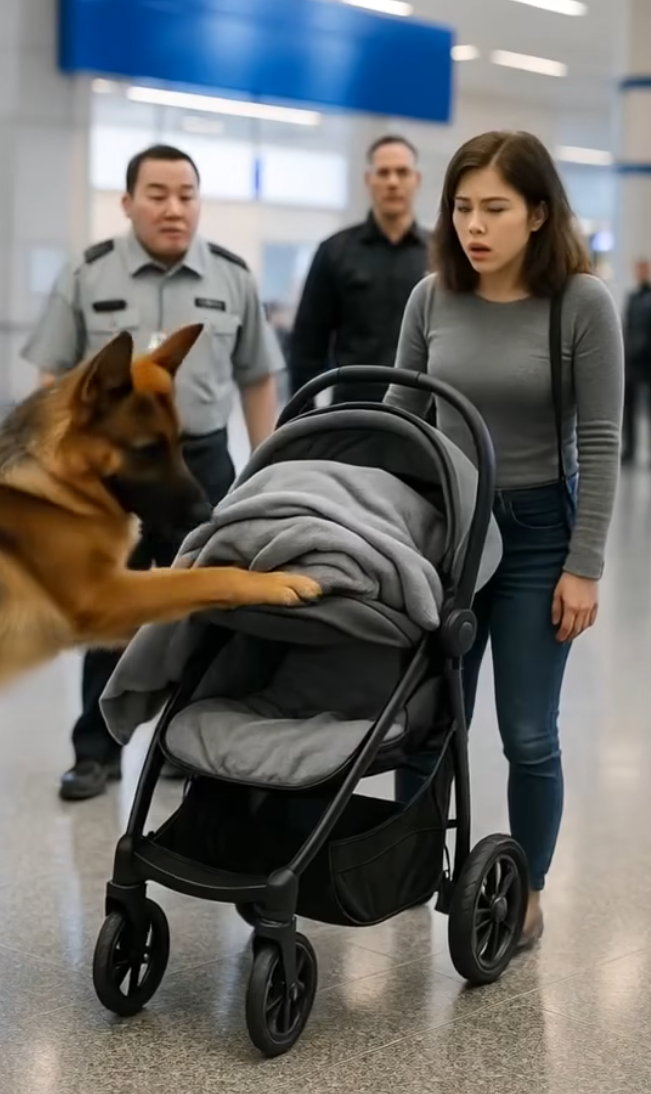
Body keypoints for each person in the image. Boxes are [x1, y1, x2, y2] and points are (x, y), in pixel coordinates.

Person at [386, 131, 623, 949]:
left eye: (494, 208)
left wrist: (583, 566)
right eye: (461, 208)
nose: (473, 227)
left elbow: (600, 443)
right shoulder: (430, 298)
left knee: (527, 732)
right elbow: (400, 421)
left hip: (534, 540)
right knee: (423, 723)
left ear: (538, 213)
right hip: (446, 538)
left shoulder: (581, 304)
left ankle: (527, 890)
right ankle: (408, 867)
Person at [22, 144, 284, 801]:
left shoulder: (231, 276)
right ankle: (96, 751)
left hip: (201, 462)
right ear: (128, 202)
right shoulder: (88, 275)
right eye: (158, 194)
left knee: (205, 603)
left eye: (187, 194)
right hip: (113, 474)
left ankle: (189, 747)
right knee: (109, 606)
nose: (174, 208)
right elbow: (53, 379)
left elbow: (256, 379)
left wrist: (268, 469)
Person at [287, 134, 430, 404]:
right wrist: (303, 425)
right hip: (353, 411)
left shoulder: (440, 256)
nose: (392, 182)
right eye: (383, 172)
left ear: (417, 180)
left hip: (424, 416)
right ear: (368, 180)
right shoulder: (334, 252)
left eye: (402, 172)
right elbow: (306, 348)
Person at [621, 258, 651, 464]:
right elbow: (628, 326)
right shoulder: (632, 298)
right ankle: (629, 450)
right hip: (631, 360)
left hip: (648, 360)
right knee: (628, 408)